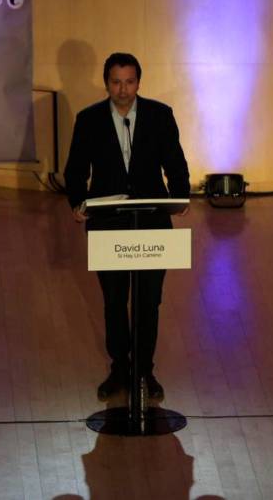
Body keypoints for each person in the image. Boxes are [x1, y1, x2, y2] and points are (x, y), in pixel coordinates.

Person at [64, 52, 190, 400]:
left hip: (151, 221)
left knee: (149, 301)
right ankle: (120, 368)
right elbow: (75, 171)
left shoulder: (160, 116)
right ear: (107, 83)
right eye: (116, 82)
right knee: (115, 301)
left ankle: (145, 370)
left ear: (139, 82)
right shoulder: (88, 120)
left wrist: (180, 197)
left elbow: (176, 164)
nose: (123, 89)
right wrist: (77, 202)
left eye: (129, 82)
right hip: (108, 224)